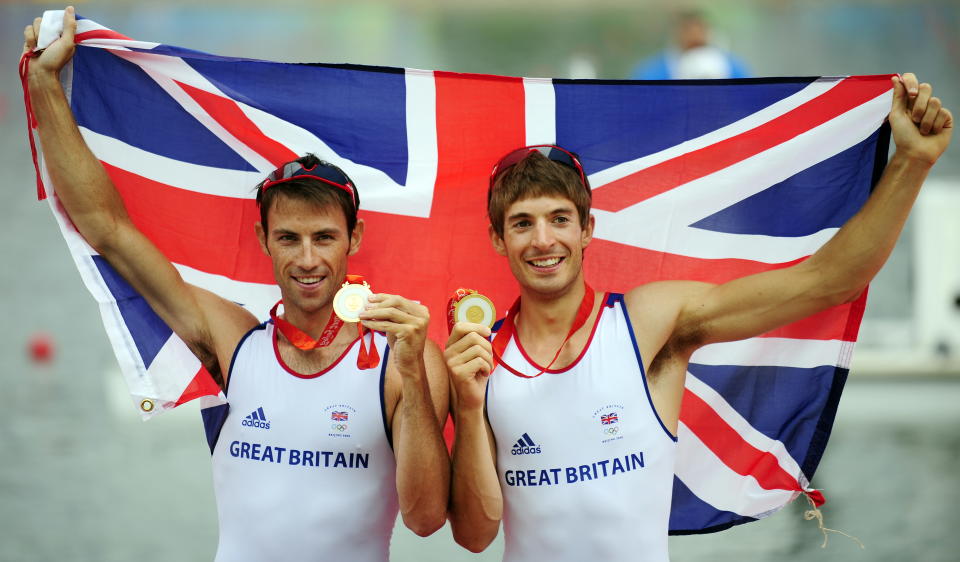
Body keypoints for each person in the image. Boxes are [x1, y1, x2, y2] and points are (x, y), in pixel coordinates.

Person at [444, 74, 952, 560]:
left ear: (587, 229)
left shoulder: (652, 324)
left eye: (559, 219)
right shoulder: (479, 360)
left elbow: (827, 282)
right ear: (497, 239)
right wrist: (468, 408)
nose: (543, 240)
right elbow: (472, 535)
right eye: (521, 224)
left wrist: (911, 162)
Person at [23, 8, 449, 562]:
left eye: (324, 237)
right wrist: (45, 85)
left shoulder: (404, 358)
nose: (307, 259)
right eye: (289, 238)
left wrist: (414, 377)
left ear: (355, 237)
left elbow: (423, 519)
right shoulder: (232, 341)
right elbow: (107, 229)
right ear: (263, 239)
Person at [630, 9, 750, 80]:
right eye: (688, 32)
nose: (694, 37)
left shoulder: (730, 67)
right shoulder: (653, 71)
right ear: (677, 34)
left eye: (700, 31)